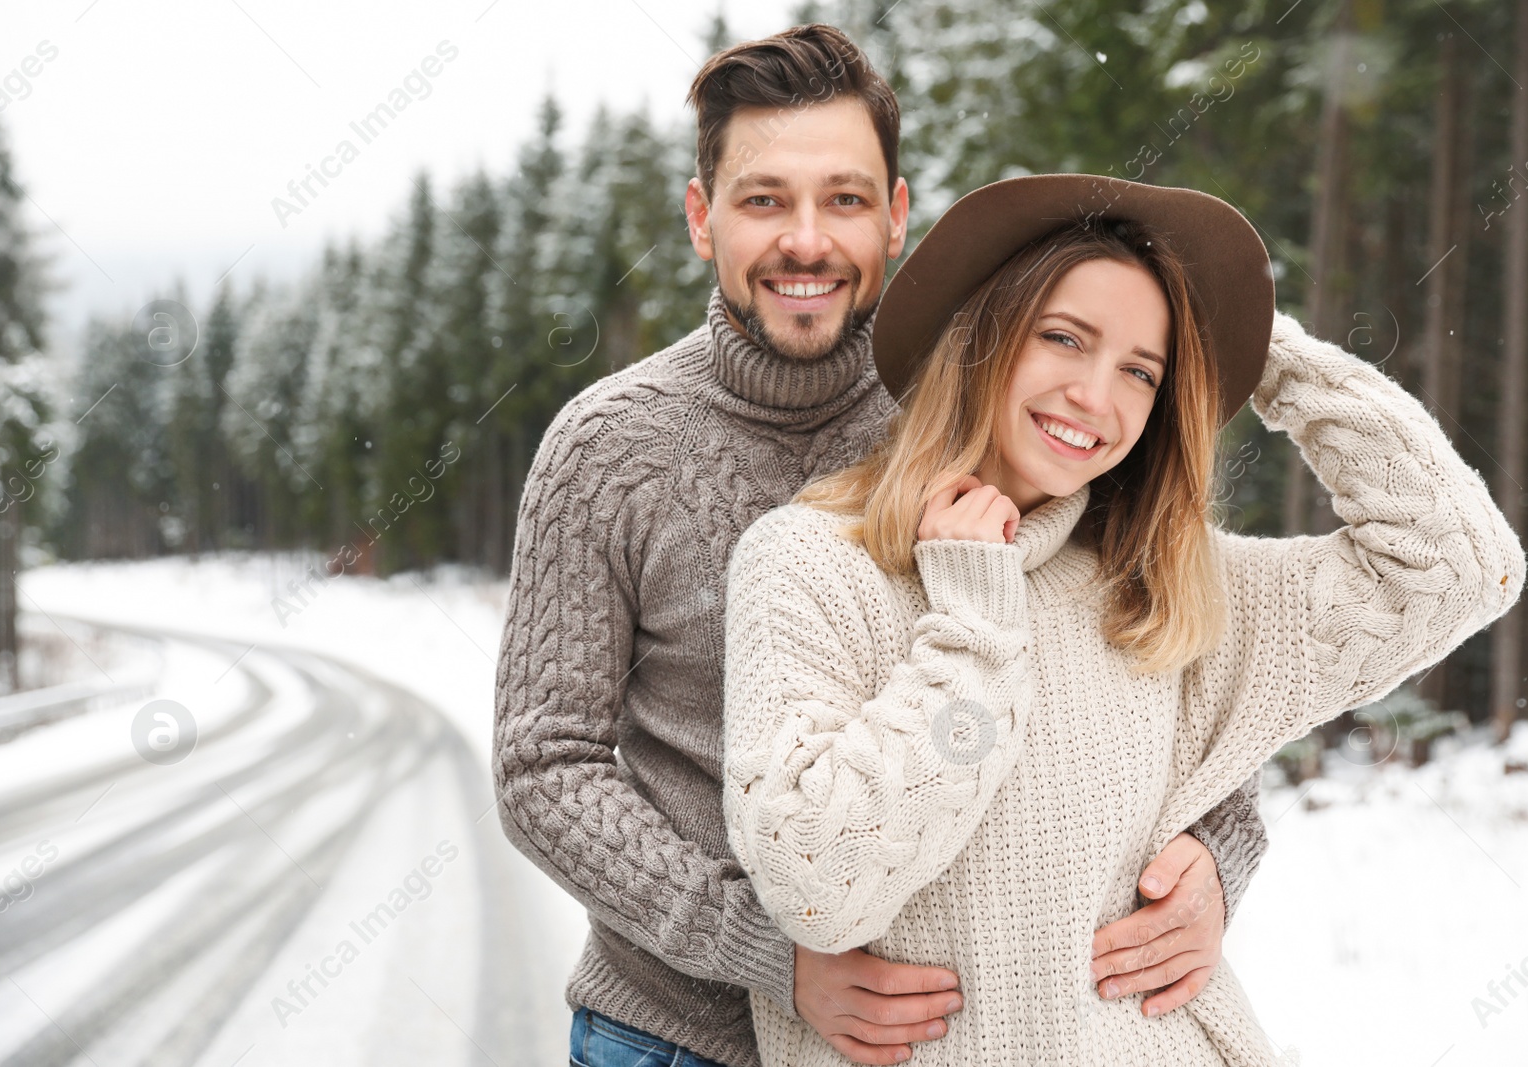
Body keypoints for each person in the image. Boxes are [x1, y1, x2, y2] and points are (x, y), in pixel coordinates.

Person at [492, 26, 1270, 1067]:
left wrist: (1219, 856)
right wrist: (770, 947)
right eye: (764, 198)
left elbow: (1164, 675)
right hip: (670, 1037)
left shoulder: (984, 420)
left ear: (896, 216)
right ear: (699, 216)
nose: (805, 240)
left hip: (930, 1040)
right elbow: (545, 764)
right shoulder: (608, 448)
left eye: (845, 200)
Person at [720, 173, 1525, 1066]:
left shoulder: (1164, 590)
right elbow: (818, 885)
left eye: (1141, 370)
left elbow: (1457, 565)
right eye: (1065, 338)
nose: (1096, 399)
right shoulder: (811, 562)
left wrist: (1264, 348)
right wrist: (977, 625)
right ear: (981, 338)